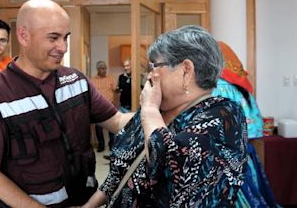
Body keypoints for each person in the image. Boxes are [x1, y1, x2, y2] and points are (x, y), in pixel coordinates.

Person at [0, 0, 133, 207]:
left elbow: (117, 121)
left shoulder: (76, 80)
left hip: (83, 200)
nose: (62, 47)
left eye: (66, 37)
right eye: (53, 38)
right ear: (23, 36)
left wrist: (157, 110)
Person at [83, 25, 248, 207]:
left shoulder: (223, 116)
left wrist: (149, 110)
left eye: (154, 66)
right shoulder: (158, 110)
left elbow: (174, 175)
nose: (149, 75)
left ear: (186, 70)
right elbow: (120, 174)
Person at [212, 41, 278, 207]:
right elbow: (255, 127)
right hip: (246, 151)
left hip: (225, 156)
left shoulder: (216, 87)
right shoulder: (241, 87)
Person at [91, 61, 116, 152]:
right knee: (99, 127)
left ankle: (112, 145)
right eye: (102, 68)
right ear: (98, 69)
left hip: (110, 106)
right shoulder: (93, 80)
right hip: (98, 107)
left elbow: (115, 91)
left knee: (111, 127)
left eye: (105, 68)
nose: (104, 70)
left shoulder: (110, 78)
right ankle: (101, 145)